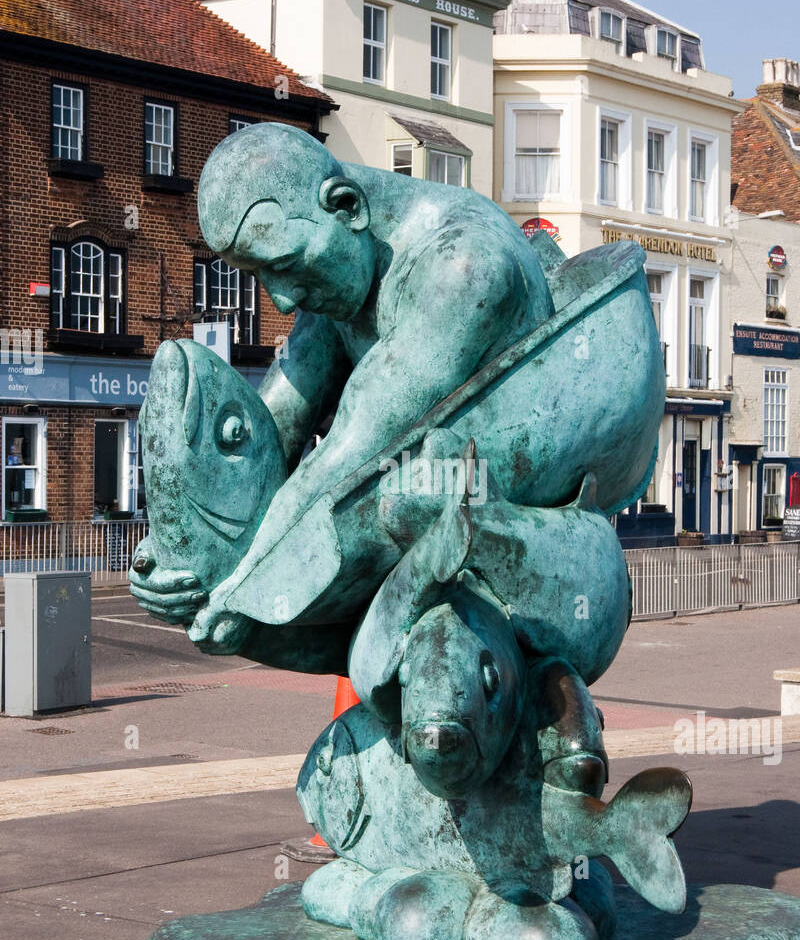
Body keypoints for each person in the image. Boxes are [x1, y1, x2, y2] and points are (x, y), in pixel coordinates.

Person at [130, 122, 554, 651]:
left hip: (491, 568)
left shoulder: (464, 265)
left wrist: (242, 592)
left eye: (284, 266)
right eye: (261, 277)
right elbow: (272, 434)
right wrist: (172, 553)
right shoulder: (339, 272)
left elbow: (353, 448)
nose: (281, 302)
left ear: (347, 207)